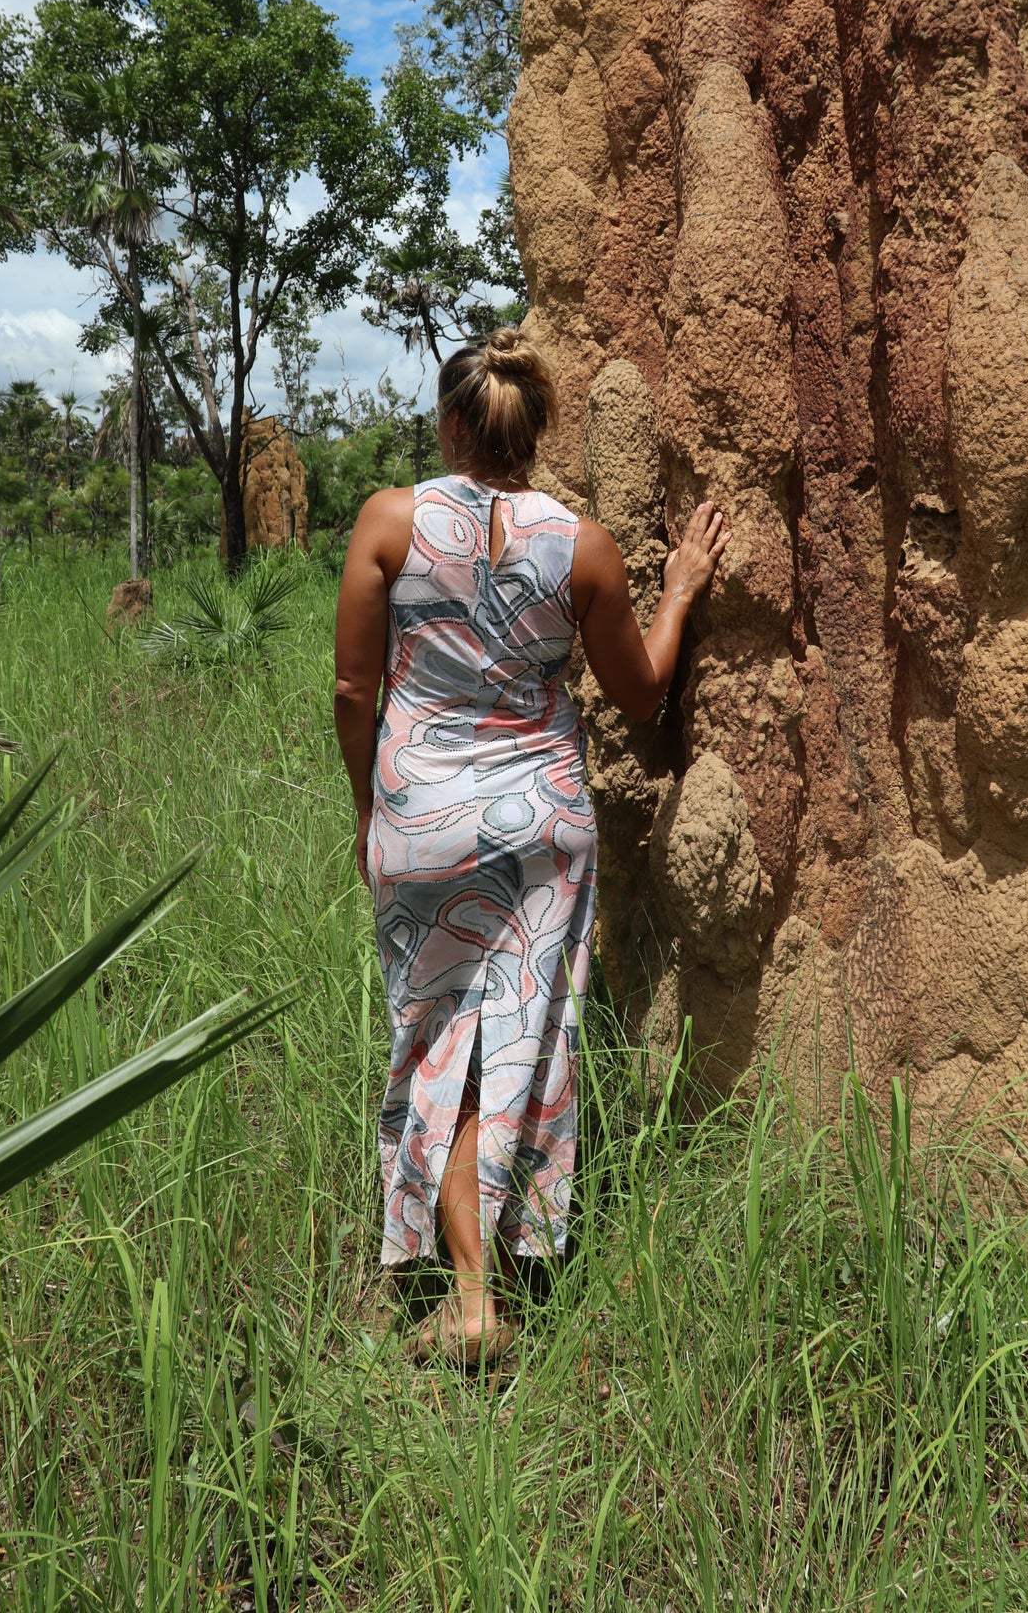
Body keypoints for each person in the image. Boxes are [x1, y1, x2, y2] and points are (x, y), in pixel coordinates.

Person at [333, 326, 728, 1366]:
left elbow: (350, 689)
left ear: (449, 421)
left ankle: (465, 1296)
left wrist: (369, 808)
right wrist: (681, 585)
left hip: (421, 818)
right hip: (542, 827)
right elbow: (640, 696)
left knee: (435, 1048)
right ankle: (492, 1274)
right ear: (535, 430)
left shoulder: (388, 520)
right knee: (515, 1044)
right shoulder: (584, 546)